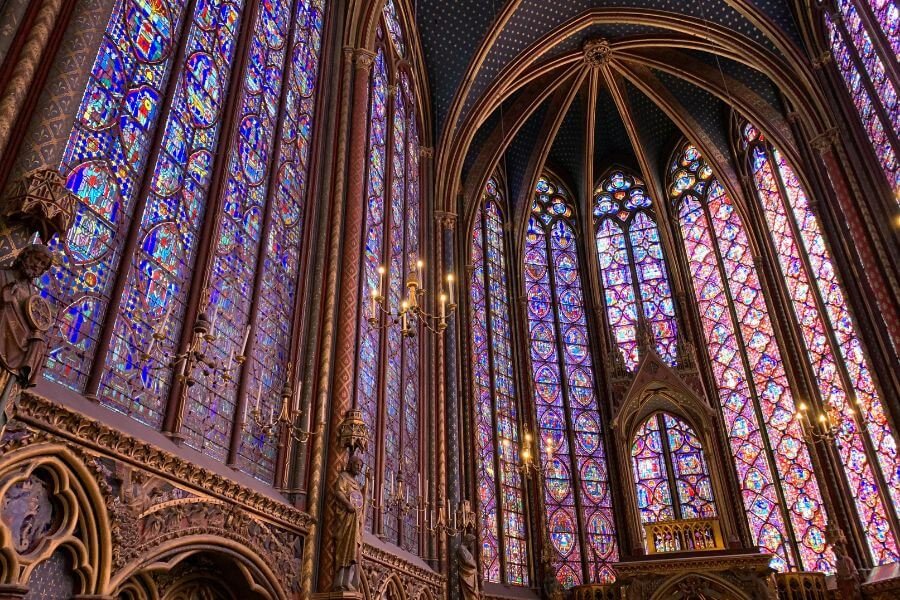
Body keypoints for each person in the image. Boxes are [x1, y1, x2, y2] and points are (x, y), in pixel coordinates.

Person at [333, 454, 367, 591]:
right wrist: (347, 504)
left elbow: (360, 500)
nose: (358, 468)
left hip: (355, 521)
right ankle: (340, 581)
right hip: (346, 521)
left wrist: (368, 484)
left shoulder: (356, 483)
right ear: (350, 464)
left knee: (354, 551)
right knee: (346, 550)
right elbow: (338, 492)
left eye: (360, 466)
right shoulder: (343, 477)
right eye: (356, 465)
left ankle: (348, 580)